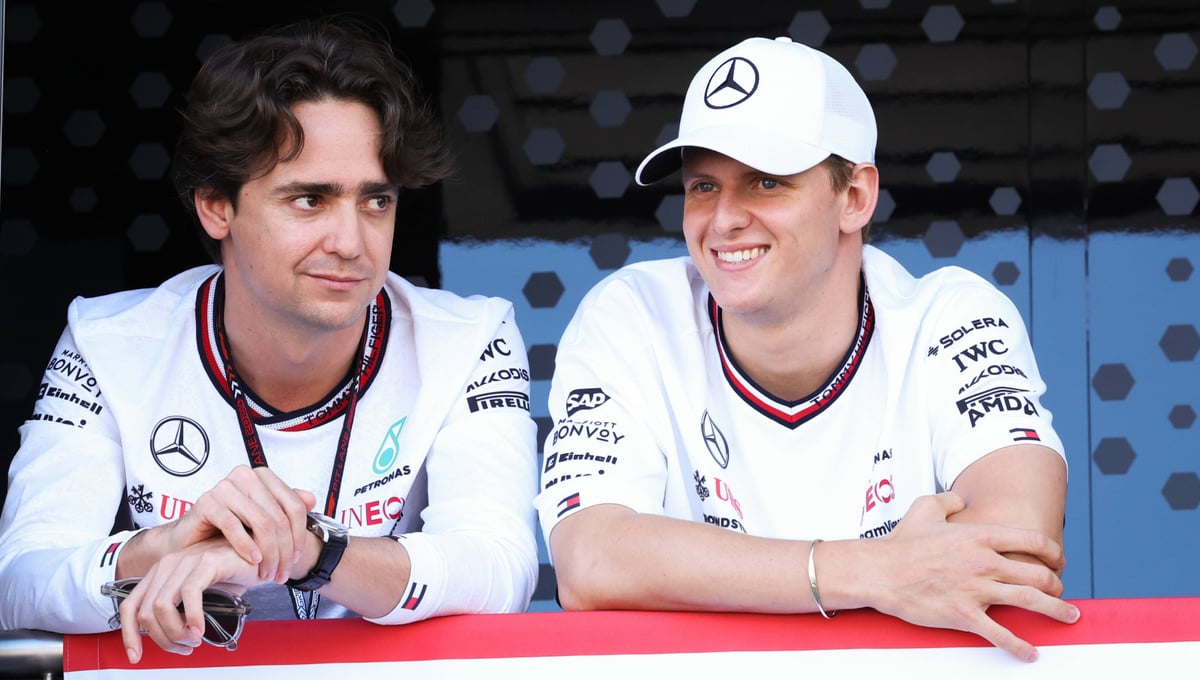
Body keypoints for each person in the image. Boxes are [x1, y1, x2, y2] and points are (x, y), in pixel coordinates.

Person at [0, 17, 539, 663]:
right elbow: (20, 584)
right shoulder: (107, 342)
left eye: (376, 201)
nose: (351, 242)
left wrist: (309, 551)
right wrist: (171, 545)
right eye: (310, 200)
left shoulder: (471, 339)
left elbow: (500, 570)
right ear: (215, 206)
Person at [535, 36, 1076, 663]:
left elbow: (1016, 550)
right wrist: (874, 572)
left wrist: (712, 578)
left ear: (855, 197)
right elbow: (590, 561)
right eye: (703, 186)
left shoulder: (952, 315)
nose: (724, 219)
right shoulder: (631, 315)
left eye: (766, 181)